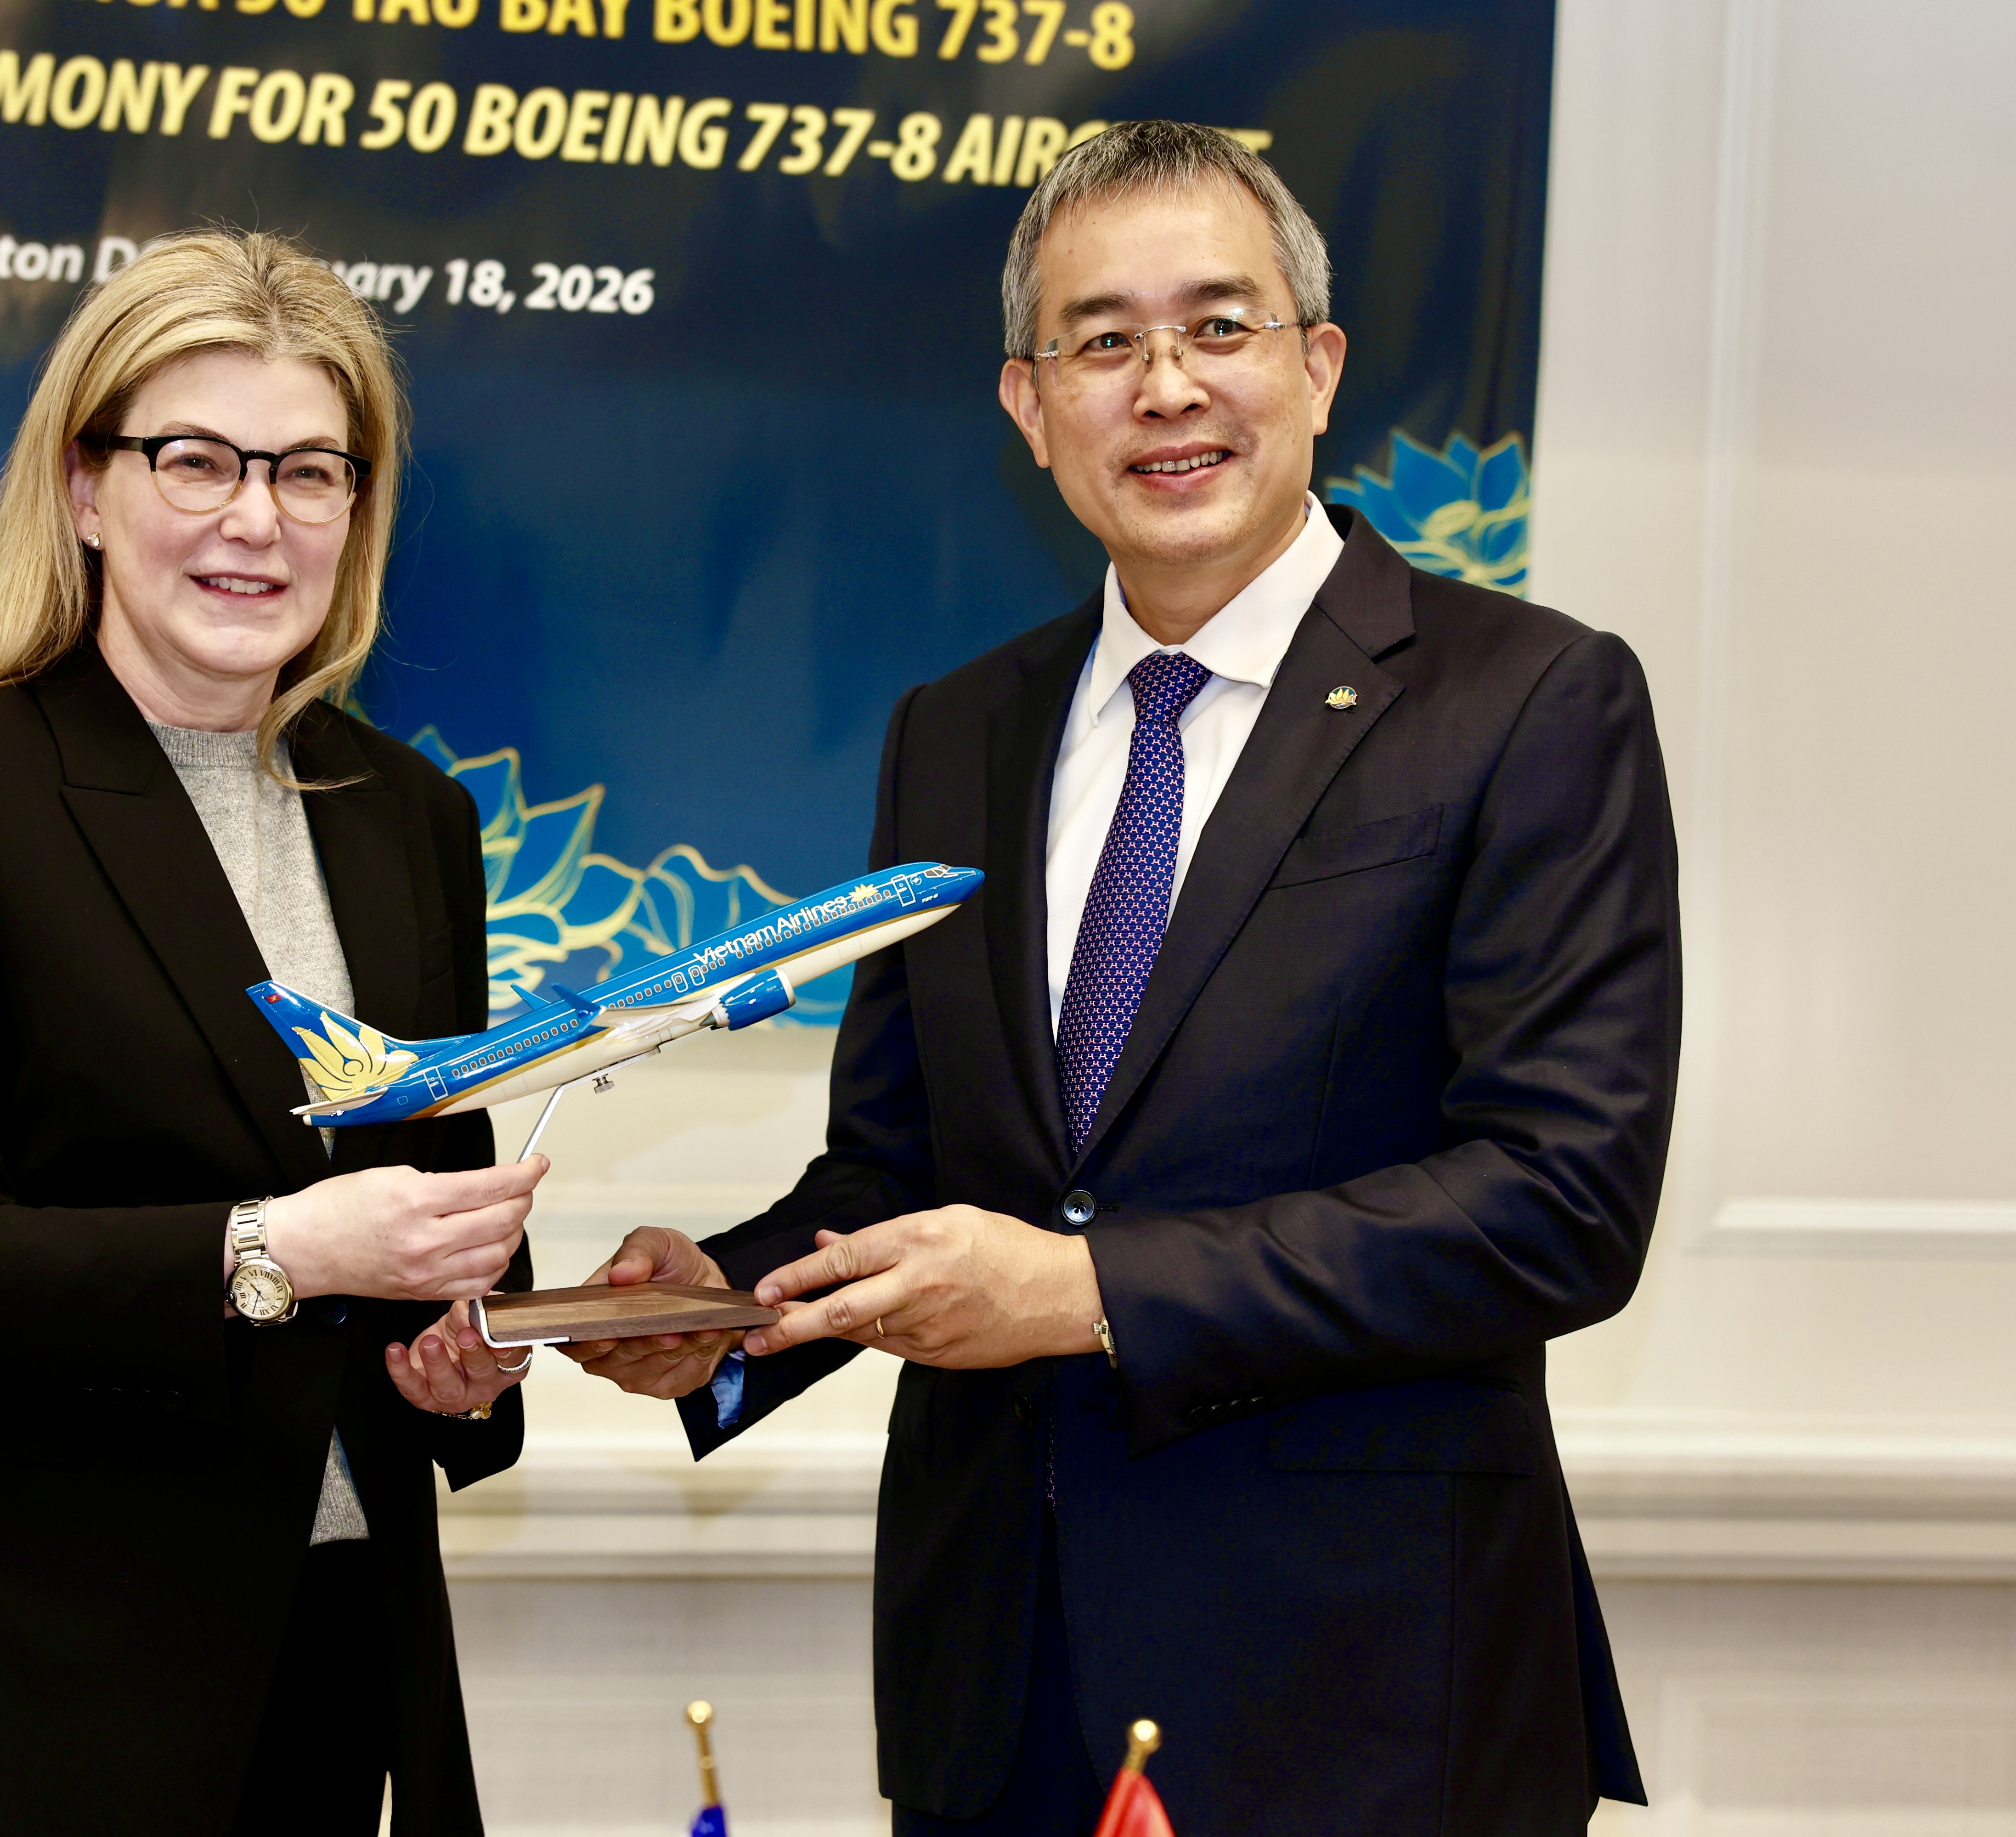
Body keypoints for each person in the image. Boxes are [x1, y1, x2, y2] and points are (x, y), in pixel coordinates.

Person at [566, 122, 1674, 1833]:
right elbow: (906, 1168)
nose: (1167, 388)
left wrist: (1092, 1295)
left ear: (1318, 367)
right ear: (1030, 405)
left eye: (1221, 327)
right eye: (1102, 343)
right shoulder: (958, 731)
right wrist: (724, 1308)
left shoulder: (1528, 698)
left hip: (1365, 1696)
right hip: (1000, 1688)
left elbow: (1559, 1200)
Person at [0, 230, 542, 1837]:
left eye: (310, 472)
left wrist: (466, 1352)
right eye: (197, 460)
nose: (257, 518)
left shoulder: (411, 817)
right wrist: (279, 1250)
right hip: (19, 1684)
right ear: (86, 489)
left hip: (330, 1664)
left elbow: (430, 1215)